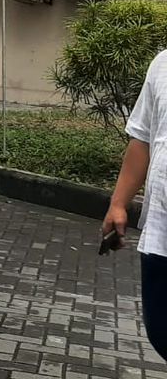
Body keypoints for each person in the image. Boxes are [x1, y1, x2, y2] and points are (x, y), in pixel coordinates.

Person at [102, 51, 167, 361]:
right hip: (161, 235)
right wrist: (118, 204)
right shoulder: (162, 63)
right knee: (162, 332)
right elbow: (142, 138)